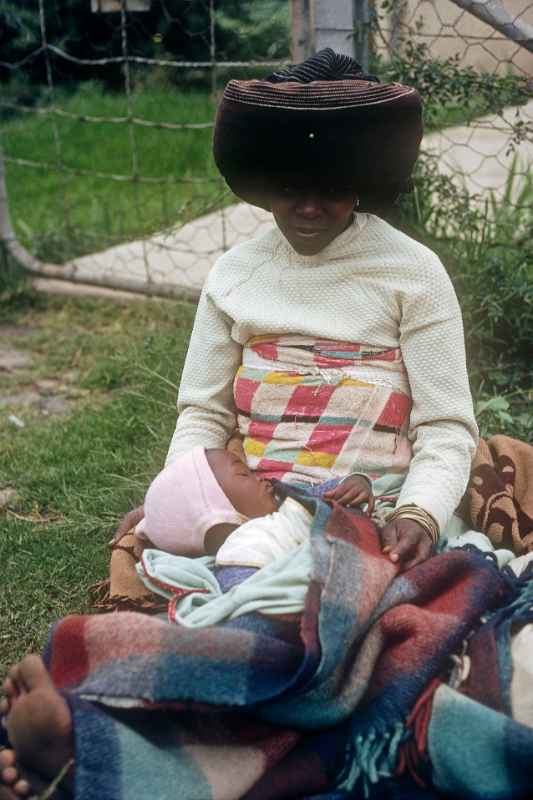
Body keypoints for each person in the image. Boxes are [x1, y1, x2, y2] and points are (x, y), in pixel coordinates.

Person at [0, 48, 479, 798]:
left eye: (331, 188)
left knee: (350, 637)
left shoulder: (410, 274)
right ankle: (111, 716)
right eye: (290, 189)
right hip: (250, 509)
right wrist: (181, 494)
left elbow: (448, 428)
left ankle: (95, 715)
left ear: (365, 182)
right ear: (259, 185)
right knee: (242, 596)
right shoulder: (235, 275)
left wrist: (418, 511)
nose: (310, 207)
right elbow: (204, 413)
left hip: (373, 516)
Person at [138, 445, 374, 565]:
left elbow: (323, 492)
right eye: (244, 474)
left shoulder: (285, 498)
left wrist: (355, 483)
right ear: (216, 512)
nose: (259, 477)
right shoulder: (240, 555)